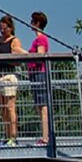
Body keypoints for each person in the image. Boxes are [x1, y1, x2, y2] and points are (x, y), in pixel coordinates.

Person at [0, 14, 28, 146]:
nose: (2, 31)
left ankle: (13, 136)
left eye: (4, 28)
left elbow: (18, 62)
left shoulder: (14, 41)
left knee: (10, 107)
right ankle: (6, 135)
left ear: (10, 28)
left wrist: (1, 57)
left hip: (8, 76)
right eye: (0, 28)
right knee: (2, 109)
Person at [28, 12, 53, 146]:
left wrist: (26, 55)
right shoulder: (37, 40)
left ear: (37, 23)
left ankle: (46, 137)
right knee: (39, 106)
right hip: (34, 74)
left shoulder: (41, 39)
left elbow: (40, 55)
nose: (30, 23)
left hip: (40, 74)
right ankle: (44, 135)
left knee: (43, 106)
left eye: (32, 21)